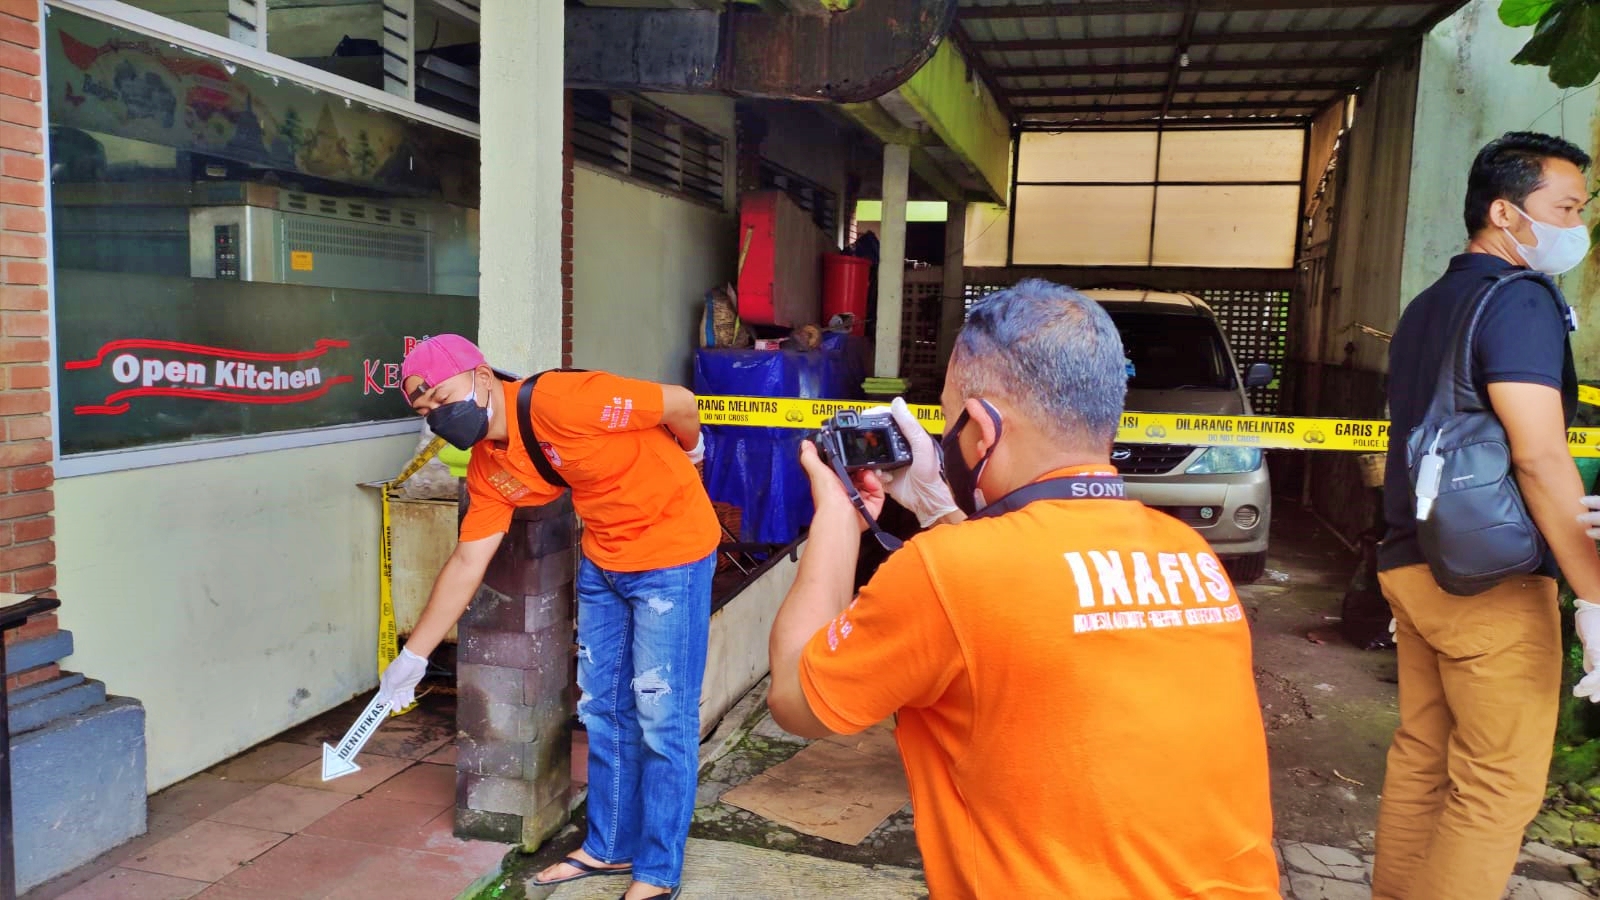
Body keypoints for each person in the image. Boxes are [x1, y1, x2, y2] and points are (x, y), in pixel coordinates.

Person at [766, 280, 1279, 898]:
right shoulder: (1190, 554)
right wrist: (939, 506)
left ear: (981, 431)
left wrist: (837, 514)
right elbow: (1023, 594)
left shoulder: (950, 571)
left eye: (953, 425)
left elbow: (796, 699)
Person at [378, 335, 718, 900]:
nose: (439, 416)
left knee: (662, 718)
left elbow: (680, 401)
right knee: (604, 710)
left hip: (673, 556)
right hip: (606, 561)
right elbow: (467, 562)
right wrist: (412, 658)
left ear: (482, 375)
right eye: (425, 412)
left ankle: (657, 871)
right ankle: (610, 849)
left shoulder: (568, 400)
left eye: (442, 396)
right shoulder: (490, 466)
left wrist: (693, 450)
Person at [1375, 132, 1600, 900]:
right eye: (1565, 208)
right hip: (1492, 582)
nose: (1579, 226)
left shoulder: (1430, 304)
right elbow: (1538, 457)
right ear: (1505, 212)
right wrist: (1596, 595)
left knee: (1423, 760)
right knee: (1497, 786)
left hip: (1412, 565)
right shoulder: (1521, 300)